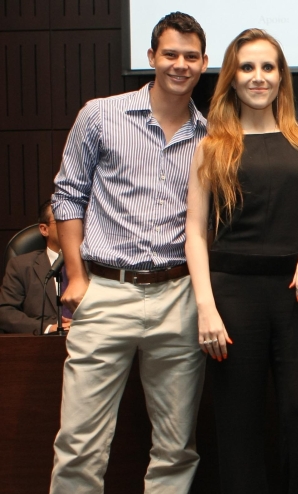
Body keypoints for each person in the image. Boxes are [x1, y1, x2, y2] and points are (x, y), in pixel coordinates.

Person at [49, 12, 209, 493]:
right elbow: (67, 195)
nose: (180, 64)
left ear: (204, 63)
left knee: (176, 447)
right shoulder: (100, 114)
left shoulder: (211, 136)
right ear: (151, 57)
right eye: (170, 54)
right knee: (79, 443)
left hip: (177, 295)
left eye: (191, 56)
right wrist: (76, 278)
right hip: (106, 291)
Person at [184, 28, 298, 493]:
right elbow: (194, 233)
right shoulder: (212, 146)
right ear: (231, 77)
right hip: (232, 298)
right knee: (239, 424)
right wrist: (205, 307)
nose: (258, 76)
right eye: (247, 67)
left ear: (281, 76)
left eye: (268, 67)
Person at [0, 200, 71, 334]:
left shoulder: (94, 265)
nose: (71, 226)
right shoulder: (21, 266)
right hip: (42, 345)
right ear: (44, 229)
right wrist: (49, 328)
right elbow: (5, 312)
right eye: (62, 220)